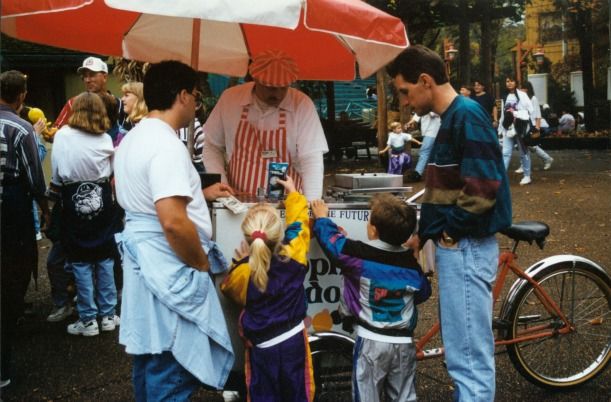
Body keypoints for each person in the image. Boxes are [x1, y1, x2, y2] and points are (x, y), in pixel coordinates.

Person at [386, 45, 512, 402]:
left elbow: (483, 187)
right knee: (462, 351)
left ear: (425, 81)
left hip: (466, 247)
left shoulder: (466, 115)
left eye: (405, 91)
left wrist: (450, 232)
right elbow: (451, 188)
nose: (406, 102)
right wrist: (425, 235)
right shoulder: (455, 117)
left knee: (468, 357)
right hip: (461, 247)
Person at [114, 60, 234, 399]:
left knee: (152, 357)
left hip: (146, 262)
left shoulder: (135, 137)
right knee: (173, 361)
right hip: (168, 262)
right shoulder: (165, 144)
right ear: (182, 95)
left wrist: (199, 191)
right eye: (196, 96)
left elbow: (148, 198)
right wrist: (200, 262)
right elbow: (172, 220)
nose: (197, 105)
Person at [311, 194, 430, 402]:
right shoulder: (411, 266)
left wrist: (322, 218)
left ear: (373, 230)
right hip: (403, 342)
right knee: (404, 397)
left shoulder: (357, 255)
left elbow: (332, 244)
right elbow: (423, 292)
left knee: (367, 396)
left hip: (370, 341)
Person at [221, 176, 314, 402]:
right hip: (294, 343)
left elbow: (228, 287)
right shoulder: (294, 258)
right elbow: (300, 226)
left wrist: (241, 262)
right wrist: (293, 194)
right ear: (277, 234)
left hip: (262, 351)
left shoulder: (242, 274)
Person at [203, 49, 329, 200]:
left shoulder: (302, 105)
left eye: (283, 87)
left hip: (288, 205)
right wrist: (221, 185)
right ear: (255, 80)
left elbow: (311, 159)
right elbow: (209, 145)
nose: (277, 94)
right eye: (270, 87)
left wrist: (309, 207)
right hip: (239, 203)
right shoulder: (231, 100)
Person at [51, 92, 121, 336]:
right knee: (105, 257)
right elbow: (112, 172)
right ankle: (109, 315)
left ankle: (88, 319)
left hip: (73, 199)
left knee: (79, 261)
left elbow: (57, 174)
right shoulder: (103, 139)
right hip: (102, 199)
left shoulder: (62, 136)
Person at [1, 70, 50, 387]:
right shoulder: (20, 127)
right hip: (10, 207)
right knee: (11, 273)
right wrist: (45, 208)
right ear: (21, 97)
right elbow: (34, 177)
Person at [498, 75, 534, 185]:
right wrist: (501, 128)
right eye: (507, 81)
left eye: (511, 81)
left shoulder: (522, 95)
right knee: (505, 152)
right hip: (508, 128)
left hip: (520, 127)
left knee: (523, 152)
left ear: (516, 82)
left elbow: (530, 110)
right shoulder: (504, 96)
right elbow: (503, 115)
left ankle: (527, 175)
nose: (509, 83)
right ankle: (501, 177)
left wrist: (516, 113)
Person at [516, 81, 553, 172]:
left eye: (521, 88)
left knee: (530, 146)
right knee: (526, 146)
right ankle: (546, 159)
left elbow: (538, 114)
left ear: (526, 89)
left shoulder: (533, 99)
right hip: (522, 124)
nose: (519, 90)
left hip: (531, 125)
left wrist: (537, 127)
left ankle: (546, 159)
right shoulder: (521, 99)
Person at [407, 112, 441, 181]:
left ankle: (418, 173)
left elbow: (433, 114)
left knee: (424, 151)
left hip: (433, 131)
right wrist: (411, 122)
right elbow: (418, 113)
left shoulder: (433, 105)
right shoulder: (425, 106)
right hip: (427, 131)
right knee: (430, 152)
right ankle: (435, 173)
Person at [116, 81, 148, 146]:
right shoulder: (131, 123)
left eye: (126, 95)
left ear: (139, 98)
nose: (122, 99)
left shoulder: (146, 125)